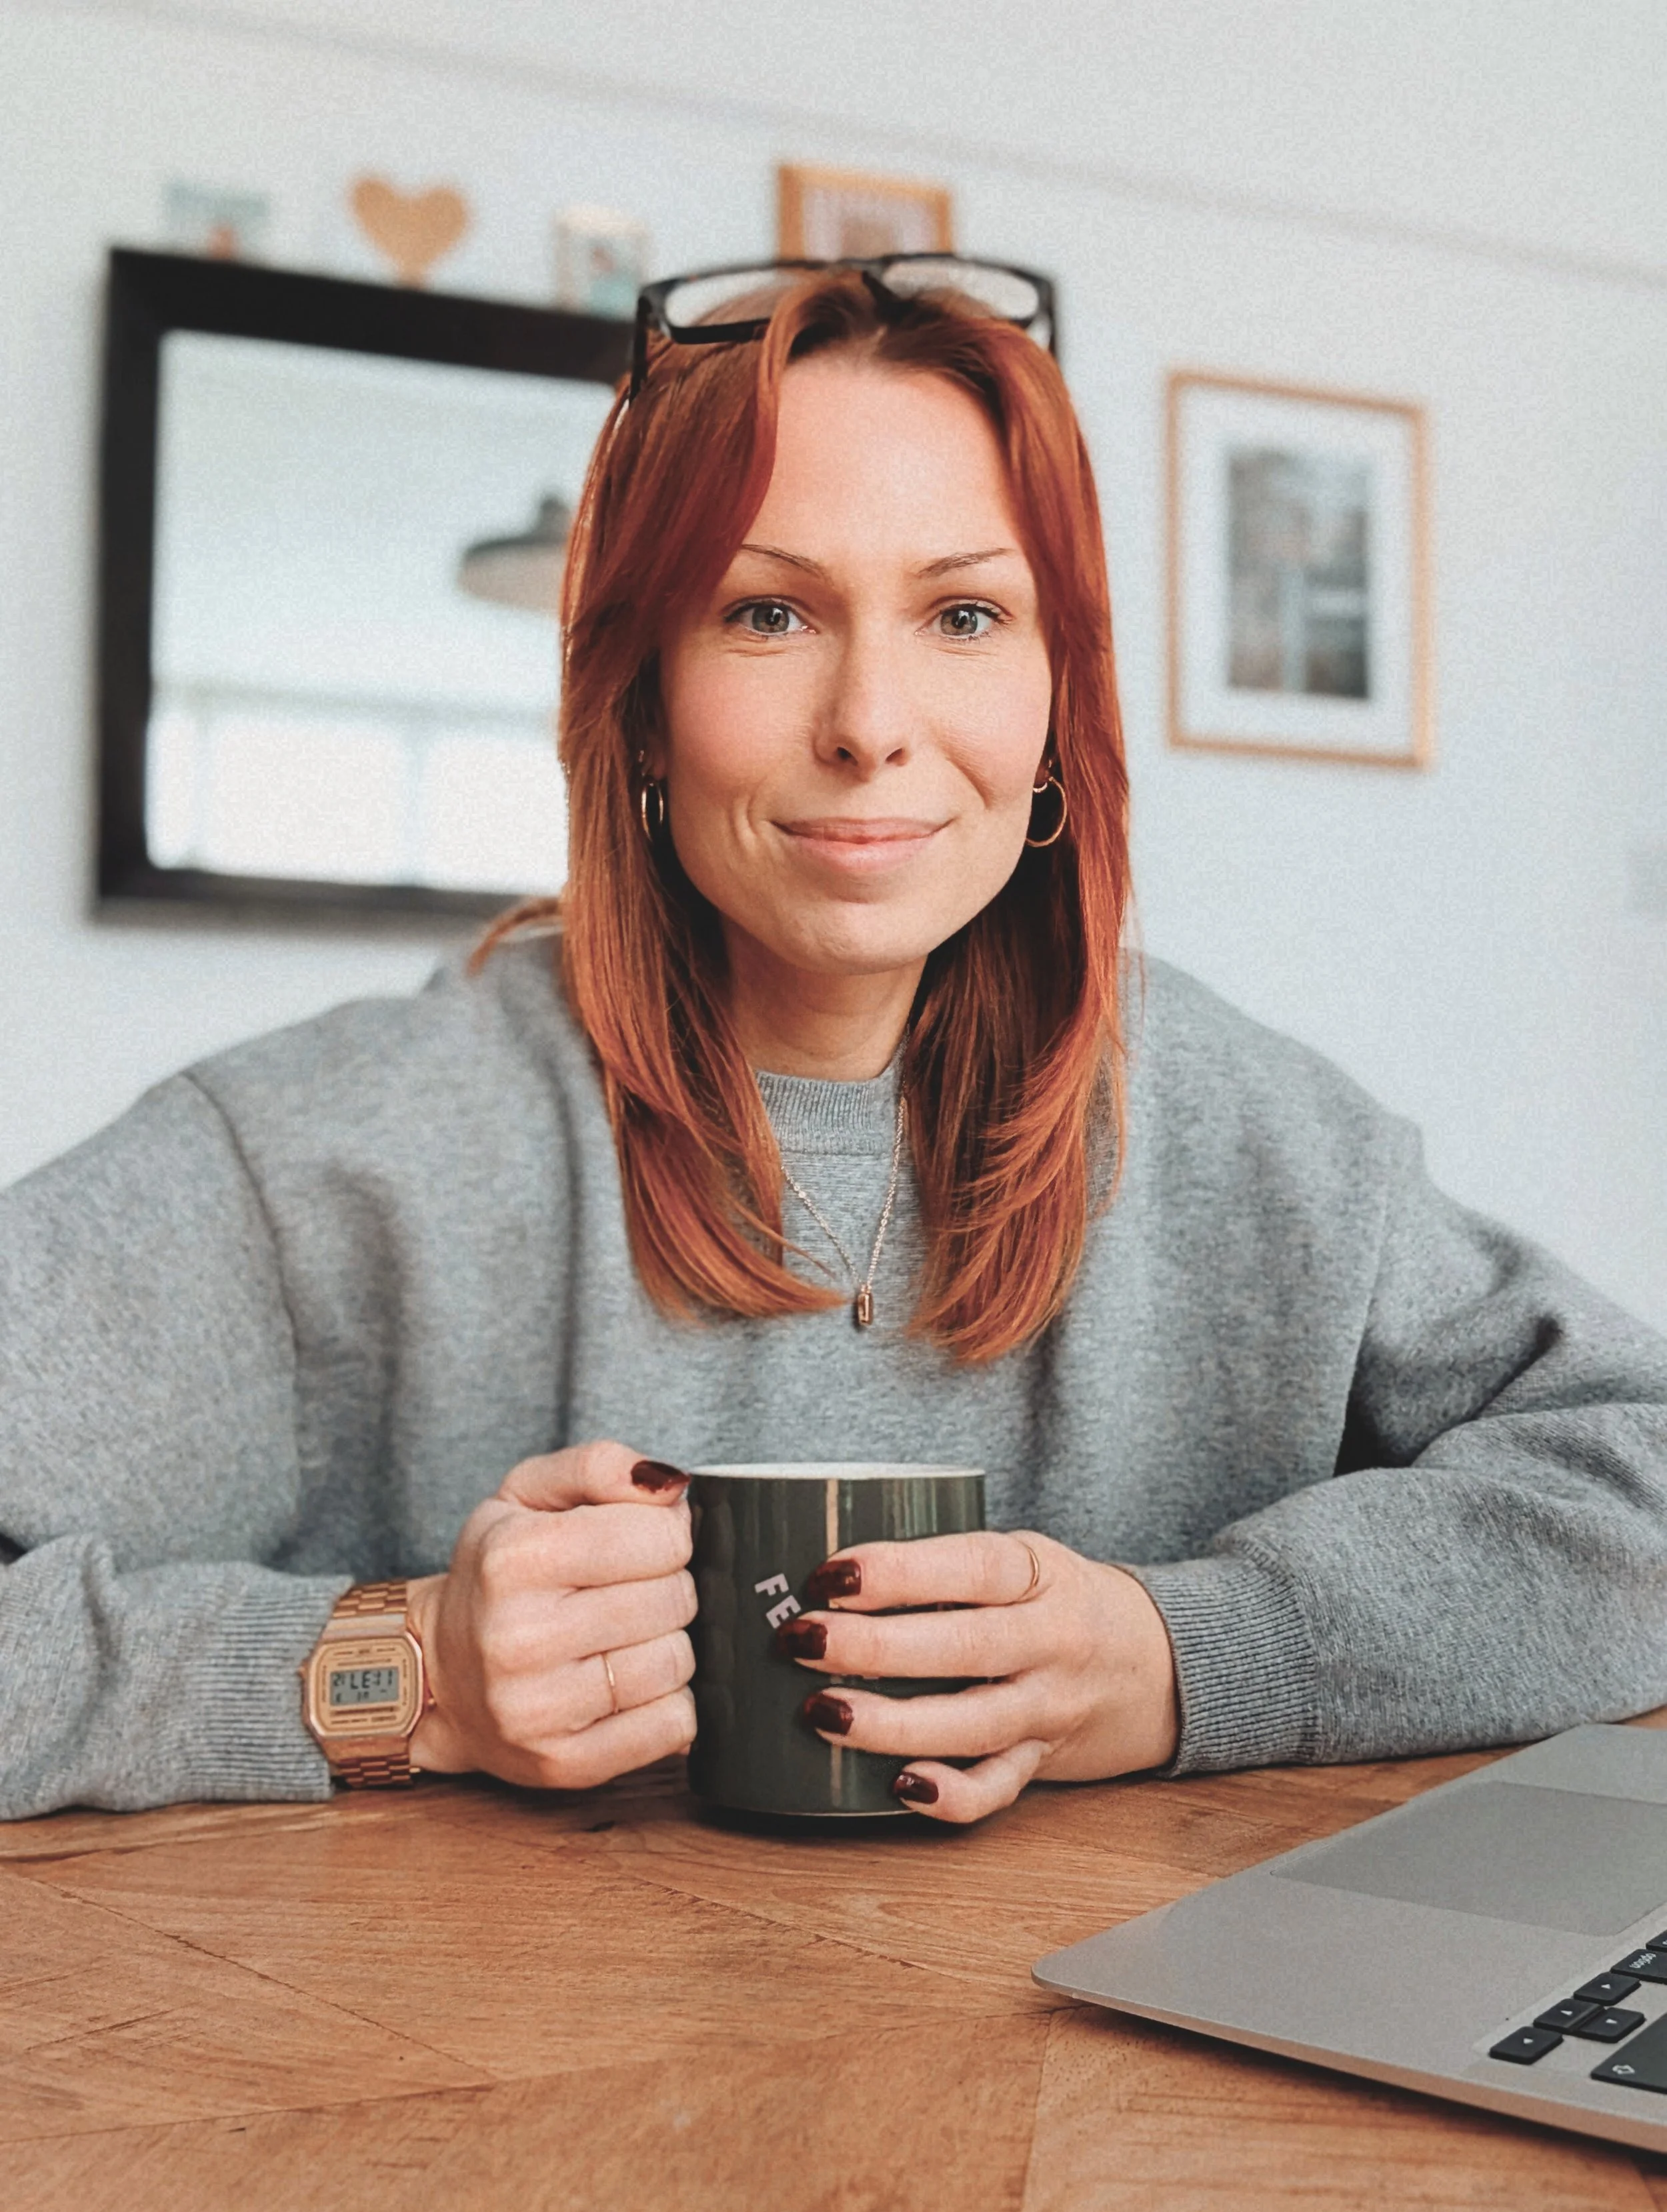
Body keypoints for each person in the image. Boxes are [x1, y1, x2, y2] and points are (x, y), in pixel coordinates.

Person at [3, 261, 1665, 1827]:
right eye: (767, 613)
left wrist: (1176, 1657)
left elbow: (1635, 1494)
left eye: (961, 617)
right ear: (639, 702)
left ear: (1051, 712)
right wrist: (398, 1671)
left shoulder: (1246, 1131)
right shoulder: (333, 1155)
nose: (872, 721)